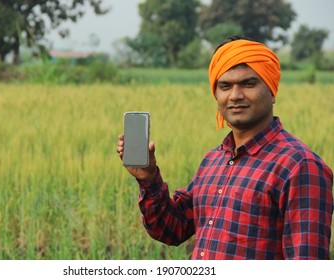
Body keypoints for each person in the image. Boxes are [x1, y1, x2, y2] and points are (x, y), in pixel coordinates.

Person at [116, 36, 333, 260]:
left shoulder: (300, 166)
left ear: (272, 90)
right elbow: (172, 229)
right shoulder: (214, 160)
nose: (235, 96)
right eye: (225, 86)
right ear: (216, 94)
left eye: (248, 84)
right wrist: (149, 178)